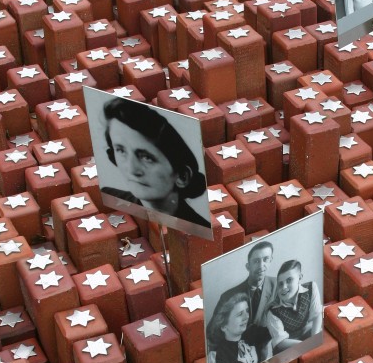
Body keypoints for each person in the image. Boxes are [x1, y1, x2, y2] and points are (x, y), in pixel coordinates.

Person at [100, 98, 210, 229]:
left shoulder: (198, 228)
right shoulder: (107, 197)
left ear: (182, 176)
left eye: (147, 157)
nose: (132, 169)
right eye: (121, 150)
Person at [206, 292, 271, 363]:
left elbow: (274, 333)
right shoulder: (217, 356)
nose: (246, 317)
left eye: (247, 311)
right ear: (224, 326)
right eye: (240, 314)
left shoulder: (252, 332)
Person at [214, 241, 276, 337]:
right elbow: (213, 331)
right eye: (256, 261)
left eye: (265, 259)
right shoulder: (228, 297)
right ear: (248, 266)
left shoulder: (280, 286)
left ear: (271, 261)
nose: (261, 266)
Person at [265, 259, 322, 353]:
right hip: (287, 345)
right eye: (280, 284)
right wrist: (307, 346)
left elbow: (316, 315)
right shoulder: (273, 311)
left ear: (300, 277)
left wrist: (314, 340)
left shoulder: (311, 288)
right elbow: (280, 342)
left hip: (307, 333)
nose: (284, 287)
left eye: (289, 280)